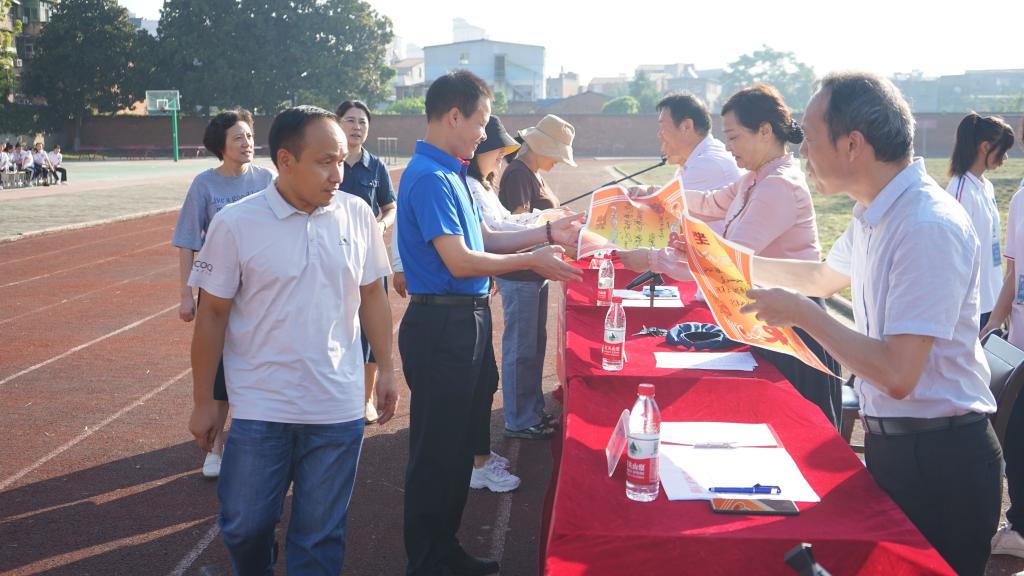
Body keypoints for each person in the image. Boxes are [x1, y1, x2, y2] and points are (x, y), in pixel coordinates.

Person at [720, 72, 1000, 576]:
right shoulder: (875, 211)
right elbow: (823, 278)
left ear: (853, 145)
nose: (802, 151)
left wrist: (802, 313)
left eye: (810, 137)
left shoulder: (925, 224)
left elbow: (897, 374)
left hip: (941, 463)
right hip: (899, 447)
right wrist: (725, 263)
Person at [188, 105, 398, 575]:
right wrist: (204, 401)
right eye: (325, 162)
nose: (338, 174)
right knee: (245, 525)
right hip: (262, 406)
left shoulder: (357, 214)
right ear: (285, 160)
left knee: (320, 536)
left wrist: (386, 368)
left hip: (337, 407)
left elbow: (372, 295)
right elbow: (212, 315)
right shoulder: (236, 223)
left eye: (340, 160)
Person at [397, 69, 583, 576]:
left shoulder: (454, 174)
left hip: (466, 321)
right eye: (481, 122)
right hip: (442, 326)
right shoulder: (430, 177)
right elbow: (460, 260)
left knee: (459, 448)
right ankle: (427, 561)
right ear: (454, 116)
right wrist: (534, 259)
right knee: (436, 453)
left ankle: (445, 551)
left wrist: (548, 233)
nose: (485, 134)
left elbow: (485, 239)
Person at [620, 84, 843, 427]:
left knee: (793, 428)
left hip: (793, 329)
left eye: (734, 137)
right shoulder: (755, 178)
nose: (728, 147)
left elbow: (728, 262)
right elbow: (711, 203)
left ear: (764, 131)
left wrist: (655, 259)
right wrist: (658, 196)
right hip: (769, 319)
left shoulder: (778, 185)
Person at [172, 108, 275, 478]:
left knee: (260, 363)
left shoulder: (267, 179)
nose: (247, 143)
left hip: (262, 289)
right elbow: (187, 240)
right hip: (218, 290)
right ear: (221, 145)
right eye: (238, 138)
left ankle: (261, 442)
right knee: (218, 369)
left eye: (249, 136)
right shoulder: (204, 185)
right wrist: (186, 295)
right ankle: (215, 449)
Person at [496, 114, 577, 439]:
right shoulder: (518, 173)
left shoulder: (530, 172)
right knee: (521, 349)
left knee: (533, 345)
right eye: (556, 155)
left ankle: (530, 410)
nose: (557, 162)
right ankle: (519, 418)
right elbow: (520, 228)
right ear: (541, 147)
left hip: (533, 271)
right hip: (520, 273)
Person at [336, 99, 397, 424]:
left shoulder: (376, 166)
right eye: (350, 120)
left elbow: (390, 206)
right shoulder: (329, 162)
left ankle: (365, 399)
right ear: (337, 123)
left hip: (368, 257)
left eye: (362, 122)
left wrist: (382, 225)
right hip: (333, 256)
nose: (357, 127)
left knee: (372, 325)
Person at [983, 119, 1024, 558]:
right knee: (1015, 437)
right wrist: (993, 325)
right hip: (1019, 345)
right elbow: (1013, 274)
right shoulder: (1021, 198)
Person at [630, 92, 743, 229]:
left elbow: (662, 220)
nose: (659, 135)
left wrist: (646, 192)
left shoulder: (707, 164)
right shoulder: (695, 159)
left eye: (662, 127)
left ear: (686, 126)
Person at [946, 113, 1015, 329]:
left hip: (992, 302)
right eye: (1002, 150)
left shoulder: (986, 186)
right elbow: (953, 256)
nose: (1005, 158)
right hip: (972, 309)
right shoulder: (960, 191)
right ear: (985, 147)